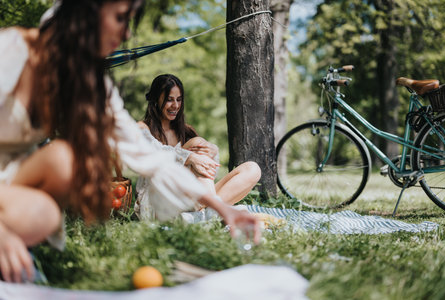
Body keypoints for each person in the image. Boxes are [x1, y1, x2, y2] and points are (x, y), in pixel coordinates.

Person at [0, 0, 260, 283]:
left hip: (10, 184)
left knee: (48, 210)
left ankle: (16, 253)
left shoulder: (90, 85)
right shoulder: (11, 51)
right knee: (63, 161)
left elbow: (149, 159)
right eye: (121, 18)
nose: (126, 35)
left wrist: (224, 210)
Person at [135, 74, 261, 220]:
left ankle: (204, 216)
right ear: (156, 99)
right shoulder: (142, 128)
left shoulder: (186, 131)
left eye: (179, 99)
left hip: (191, 201)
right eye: (169, 100)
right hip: (157, 201)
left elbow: (208, 175)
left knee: (252, 169)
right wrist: (190, 157)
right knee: (196, 143)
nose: (175, 105)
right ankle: (218, 212)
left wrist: (213, 150)